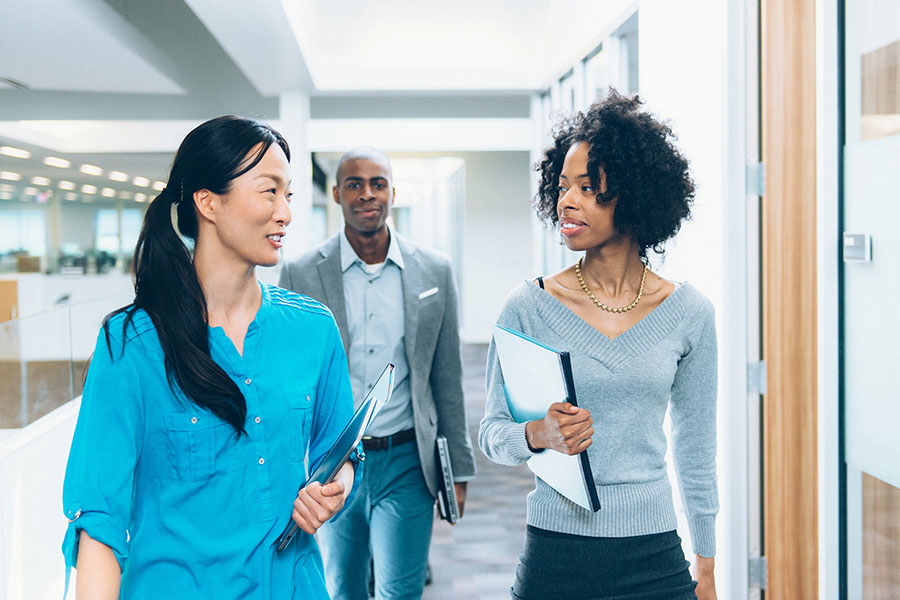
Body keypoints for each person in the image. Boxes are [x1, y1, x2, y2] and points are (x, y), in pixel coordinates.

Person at [61, 115, 361, 599]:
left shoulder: (313, 328)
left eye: (289, 195)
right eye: (269, 191)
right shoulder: (132, 344)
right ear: (208, 202)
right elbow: (99, 522)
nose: (285, 213)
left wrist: (335, 490)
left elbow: (342, 449)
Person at [479, 91, 719, 600]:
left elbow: (695, 449)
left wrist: (707, 563)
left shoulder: (690, 314)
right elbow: (492, 433)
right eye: (563, 187)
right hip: (556, 554)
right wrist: (539, 433)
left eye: (589, 189)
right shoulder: (528, 306)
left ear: (634, 197)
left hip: (655, 554)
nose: (567, 201)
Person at [279, 147, 476, 600]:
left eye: (377, 183)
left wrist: (458, 471)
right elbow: (289, 381)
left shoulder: (435, 271)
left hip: (407, 457)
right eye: (354, 184)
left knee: (400, 590)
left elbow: (446, 377)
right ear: (336, 194)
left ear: (392, 191)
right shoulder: (300, 273)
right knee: (342, 587)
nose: (367, 194)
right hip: (331, 463)